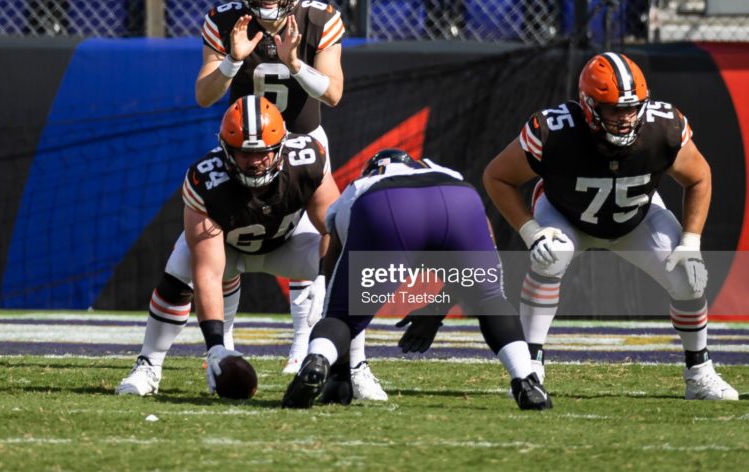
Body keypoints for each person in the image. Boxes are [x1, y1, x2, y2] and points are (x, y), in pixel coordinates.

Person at [482, 51, 737, 400]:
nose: (626, 117)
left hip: (637, 217)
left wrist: (690, 242)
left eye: (632, 107)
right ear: (588, 105)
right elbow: (497, 177)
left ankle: (699, 372)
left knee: (688, 276)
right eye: (615, 108)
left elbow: (700, 177)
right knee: (550, 254)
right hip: (565, 214)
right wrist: (531, 231)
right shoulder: (554, 130)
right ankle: (530, 366)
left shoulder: (664, 126)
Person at [195, 0, 379, 390]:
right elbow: (203, 95)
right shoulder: (224, 21)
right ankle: (225, 346)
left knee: (325, 233)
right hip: (245, 145)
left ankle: (306, 344)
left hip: (302, 141)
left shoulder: (318, 18)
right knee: (229, 233)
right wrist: (230, 64)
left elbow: (333, 95)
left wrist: (297, 63)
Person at [282, 149, 552, 410]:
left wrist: (339, 372)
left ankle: (317, 362)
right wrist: (437, 309)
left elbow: (335, 260)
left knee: (341, 315)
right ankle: (526, 379)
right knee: (490, 299)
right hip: (459, 199)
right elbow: (478, 256)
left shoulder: (358, 187)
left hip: (384, 204)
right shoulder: (444, 171)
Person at [116, 95, 340, 397]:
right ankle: (149, 363)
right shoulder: (206, 179)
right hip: (229, 248)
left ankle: (353, 368)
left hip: (288, 244)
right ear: (225, 149)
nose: (255, 161)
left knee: (349, 265)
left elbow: (334, 229)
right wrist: (215, 348)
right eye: (244, 153)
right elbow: (207, 273)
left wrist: (325, 278)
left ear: (281, 146)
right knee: (180, 267)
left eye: (263, 152)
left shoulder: (307, 159)